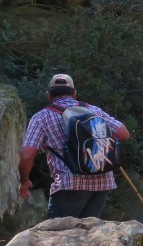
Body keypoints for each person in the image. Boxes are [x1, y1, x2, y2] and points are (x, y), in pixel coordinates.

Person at [18, 74, 131, 219]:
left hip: (69, 184)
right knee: (88, 234)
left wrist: (24, 182)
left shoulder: (41, 117)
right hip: (103, 181)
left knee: (58, 235)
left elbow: (27, 155)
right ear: (74, 93)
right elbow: (124, 134)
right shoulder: (94, 110)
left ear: (49, 95)